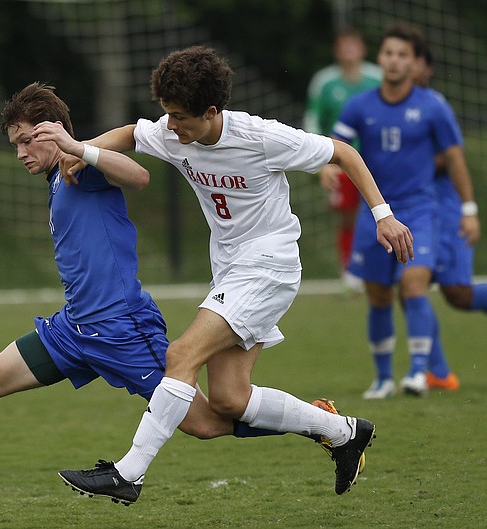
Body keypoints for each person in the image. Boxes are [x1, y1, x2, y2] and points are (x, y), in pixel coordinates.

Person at [0, 82, 359, 503]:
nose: (22, 152)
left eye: (30, 140)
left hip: (122, 328)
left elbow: (137, 175)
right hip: (74, 328)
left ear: (56, 133)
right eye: (15, 144)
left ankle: (320, 424)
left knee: (207, 421)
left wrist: (84, 150)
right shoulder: (59, 176)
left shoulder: (83, 167)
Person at [57, 45, 413, 505]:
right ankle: (342, 432)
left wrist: (383, 215)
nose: (171, 126)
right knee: (229, 400)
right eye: (167, 115)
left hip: (268, 265)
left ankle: (128, 474)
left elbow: (343, 152)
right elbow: (130, 133)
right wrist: (85, 152)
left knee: (181, 355)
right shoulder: (174, 131)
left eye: (181, 117)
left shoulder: (260, 137)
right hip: (231, 270)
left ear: (211, 111)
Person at [328, 24, 479, 399]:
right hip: (376, 210)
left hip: (420, 210)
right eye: (389, 53)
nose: (395, 61)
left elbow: (456, 158)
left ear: (414, 64)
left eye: (403, 55)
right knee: (378, 295)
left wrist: (469, 208)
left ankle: (417, 372)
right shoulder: (360, 104)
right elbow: (335, 145)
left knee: (414, 285)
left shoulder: (432, 106)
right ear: (379, 59)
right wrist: (327, 168)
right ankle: (382, 379)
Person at [414, 46, 483, 391]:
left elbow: (449, 158)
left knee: (458, 293)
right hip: (414, 209)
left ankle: (437, 371)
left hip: (443, 209)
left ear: (426, 68)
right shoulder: (379, 105)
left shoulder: (433, 106)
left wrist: (399, 157)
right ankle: (438, 372)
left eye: (411, 58)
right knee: (411, 286)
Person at [303, 28, 382, 292]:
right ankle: (349, 268)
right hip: (340, 161)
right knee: (348, 216)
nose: (348, 51)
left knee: (379, 211)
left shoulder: (377, 78)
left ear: (362, 49)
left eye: (353, 45)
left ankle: (379, 265)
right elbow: (313, 119)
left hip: (377, 160)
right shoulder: (325, 82)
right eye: (343, 46)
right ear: (337, 51)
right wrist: (321, 157)